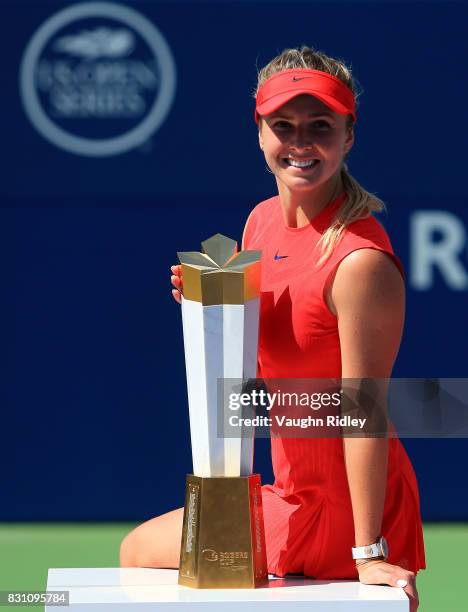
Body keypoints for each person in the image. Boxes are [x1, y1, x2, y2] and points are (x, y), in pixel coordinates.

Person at [120, 46, 425, 611]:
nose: (301, 143)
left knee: (144, 552)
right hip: (286, 490)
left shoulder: (361, 263)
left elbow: (364, 412)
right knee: (138, 551)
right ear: (259, 132)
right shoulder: (259, 221)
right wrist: (215, 302)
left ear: (349, 134)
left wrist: (368, 552)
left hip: (343, 513)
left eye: (320, 127)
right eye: (283, 126)